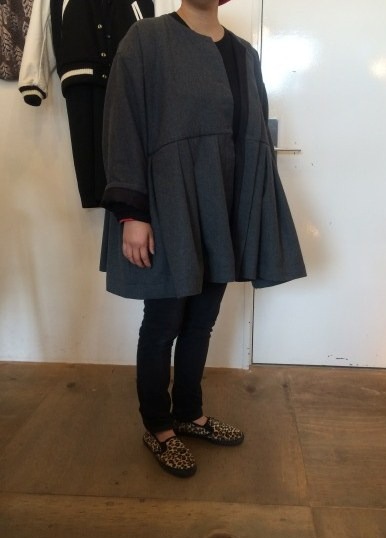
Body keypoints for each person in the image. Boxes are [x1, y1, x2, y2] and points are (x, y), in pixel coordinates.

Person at [100, 0, 306, 477]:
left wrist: (252, 213)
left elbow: (252, 138)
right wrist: (133, 213)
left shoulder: (245, 54)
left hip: (222, 212)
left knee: (201, 321)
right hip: (168, 207)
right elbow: (123, 123)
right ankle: (158, 425)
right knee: (163, 321)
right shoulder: (146, 40)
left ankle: (189, 414)